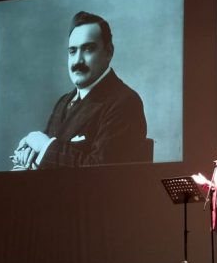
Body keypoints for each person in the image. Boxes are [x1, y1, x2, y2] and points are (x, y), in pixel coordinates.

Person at [11, 11, 149, 169]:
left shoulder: (124, 103)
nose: (77, 61)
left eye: (88, 49)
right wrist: (28, 157)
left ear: (109, 52)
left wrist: (44, 146)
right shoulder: (63, 102)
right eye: (72, 51)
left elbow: (102, 173)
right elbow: (44, 156)